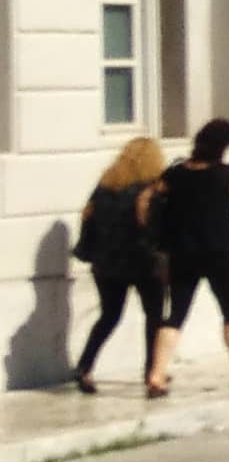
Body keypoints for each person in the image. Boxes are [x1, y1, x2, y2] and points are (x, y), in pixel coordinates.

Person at [145, 120, 229, 397]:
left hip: (182, 254)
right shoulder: (225, 174)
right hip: (218, 253)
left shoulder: (174, 174)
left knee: (175, 314)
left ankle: (157, 374)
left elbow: (148, 198)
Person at [71, 135, 167, 394]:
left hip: (106, 264)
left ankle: (84, 365)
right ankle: (152, 373)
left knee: (109, 316)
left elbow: (88, 220)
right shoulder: (152, 189)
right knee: (155, 318)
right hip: (144, 262)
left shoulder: (104, 186)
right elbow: (157, 226)